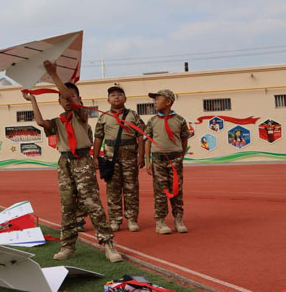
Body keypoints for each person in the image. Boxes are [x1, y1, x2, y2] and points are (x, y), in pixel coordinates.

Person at [22, 60, 122, 262]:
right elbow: (41, 123)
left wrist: (54, 74)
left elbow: (69, 95)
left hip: (82, 161)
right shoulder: (59, 121)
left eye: (71, 96)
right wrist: (32, 100)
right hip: (65, 164)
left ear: (79, 99)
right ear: (59, 101)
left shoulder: (81, 114)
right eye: (62, 98)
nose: (66, 99)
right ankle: (68, 247)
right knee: (68, 206)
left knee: (92, 203)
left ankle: (108, 245)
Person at [92, 86, 145, 232]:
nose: (116, 97)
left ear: (125, 99)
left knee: (131, 188)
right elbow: (98, 138)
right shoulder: (103, 117)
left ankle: (132, 219)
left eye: (120, 95)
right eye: (113, 95)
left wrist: (141, 156)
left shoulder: (133, 115)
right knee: (113, 189)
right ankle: (115, 220)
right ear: (108, 100)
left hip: (130, 157)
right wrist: (95, 157)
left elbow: (141, 136)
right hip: (110, 157)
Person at [144, 90, 190, 234]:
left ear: (168, 102)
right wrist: (148, 160)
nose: (155, 102)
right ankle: (160, 222)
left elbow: (184, 139)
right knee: (160, 191)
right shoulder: (152, 121)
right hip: (158, 160)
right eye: (154, 100)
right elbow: (147, 141)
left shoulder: (180, 120)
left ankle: (178, 219)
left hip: (175, 160)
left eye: (158, 99)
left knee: (177, 190)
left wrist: (180, 156)